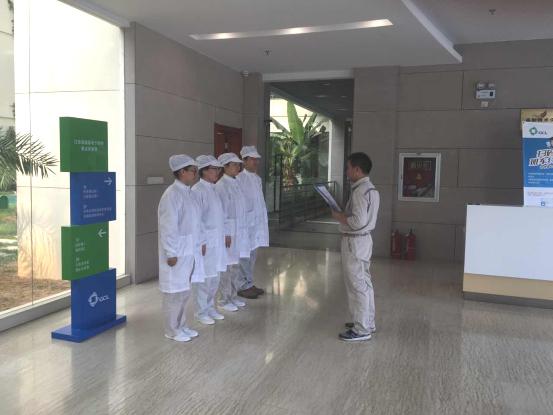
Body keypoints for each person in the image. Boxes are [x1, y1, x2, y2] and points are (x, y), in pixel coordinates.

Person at [331, 152, 380, 342]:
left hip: (355, 243)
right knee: (364, 283)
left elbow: (358, 221)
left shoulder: (360, 191)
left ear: (357, 170)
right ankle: (367, 322)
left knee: (357, 285)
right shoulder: (371, 189)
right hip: (363, 241)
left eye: (348, 168)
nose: (347, 172)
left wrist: (339, 216)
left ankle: (362, 329)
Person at [157, 154, 203, 342]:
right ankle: (172, 330)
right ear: (182, 172)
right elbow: (168, 227)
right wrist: (171, 252)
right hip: (176, 253)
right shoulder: (171, 195)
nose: (195, 174)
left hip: (188, 251)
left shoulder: (189, 193)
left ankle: (182, 325)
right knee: (174, 293)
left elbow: (195, 223)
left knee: (184, 291)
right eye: (193, 171)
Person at [191, 155, 227, 325]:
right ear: (203, 171)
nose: (217, 172)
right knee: (204, 278)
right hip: (206, 243)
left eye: (218, 169)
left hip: (217, 241)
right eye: (214, 169)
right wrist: (202, 242)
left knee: (215, 277)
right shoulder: (197, 191)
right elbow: (196, 220)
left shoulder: (213, 189)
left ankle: (211, 307)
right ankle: (201, 312)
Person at [215, 153, 251, 311]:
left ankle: (233, 296)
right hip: (229, 234)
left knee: (235, 265)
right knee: (227, 267)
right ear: (225, 167)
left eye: (238, 164)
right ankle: (224, 299)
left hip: (239, 232)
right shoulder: (221, 186)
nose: (238, 167)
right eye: (234, 164)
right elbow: (222, 213)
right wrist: (226, 234)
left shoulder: (236, 183)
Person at [236, 146, 269, 299]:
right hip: (245, 225)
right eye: (252, 159)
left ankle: (249, 283)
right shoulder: (239, 179)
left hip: (256, 224)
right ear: (244, 161)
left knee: (253, 255)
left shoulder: (257, 179)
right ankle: (242, 286)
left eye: (257, 159)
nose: (255, 162)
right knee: (244, 256)